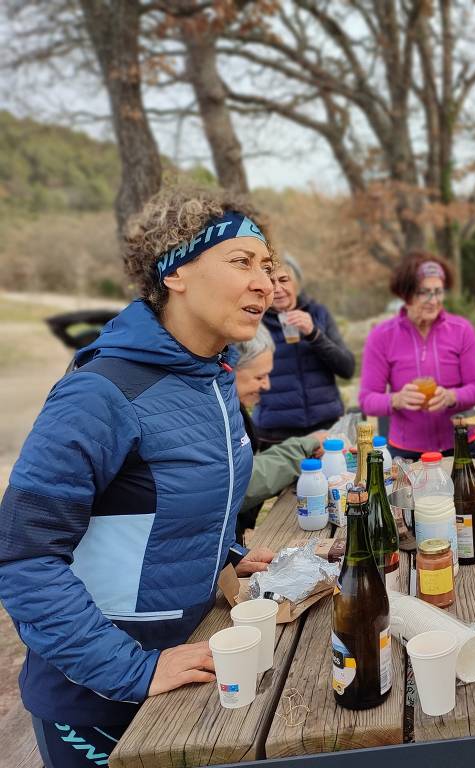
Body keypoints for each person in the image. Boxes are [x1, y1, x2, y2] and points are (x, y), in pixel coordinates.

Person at [0, 185, 279, 767]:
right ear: (175, 272)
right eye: (242, 262)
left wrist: (221, 549)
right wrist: (133, 669)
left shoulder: (213, 379)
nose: (266, 283)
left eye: (268, 267)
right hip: (98, 700)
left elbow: (151, 504)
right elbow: (24, 558)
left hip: (191, 677)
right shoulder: (100, 392)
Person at [358, 252, 475, 458]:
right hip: (407, 452)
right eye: (423, 293)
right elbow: (367, 400)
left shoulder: (461, 329)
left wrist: (451, 397)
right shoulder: (381, 336)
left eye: (438, 292)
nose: (433, 301)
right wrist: (397, 399)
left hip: (463, 446)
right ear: (405, 295)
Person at [234, 325, 328, 542]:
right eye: (259, 377)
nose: (267, 385)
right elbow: (240, 482)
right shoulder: (213, 413)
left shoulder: (233, 409)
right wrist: (303, 447)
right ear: (228, 370)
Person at [254, 254, 355, 446]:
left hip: (326, 428)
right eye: (270, 281)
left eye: (284, 280)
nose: (278, 289)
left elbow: (347, 369)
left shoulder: (318, 314)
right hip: (276, 434)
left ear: (296, 285)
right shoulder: (255, 321)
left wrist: (314, 334)